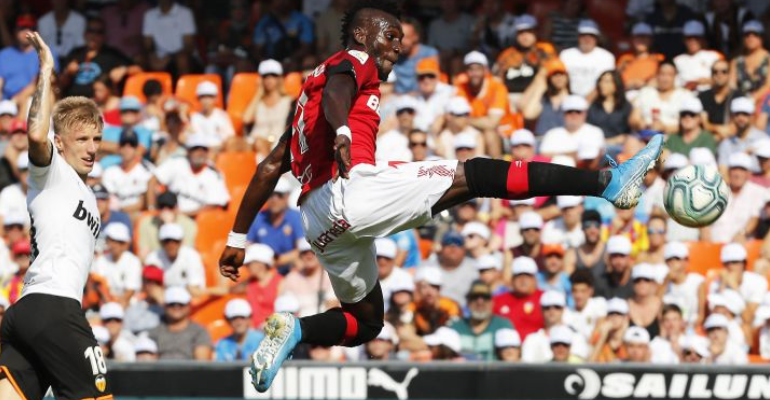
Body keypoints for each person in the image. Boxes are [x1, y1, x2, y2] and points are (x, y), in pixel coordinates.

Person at [218, 1, 664, 392]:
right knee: (479, 172)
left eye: (401, 38)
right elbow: (340, 91)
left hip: (318, 221)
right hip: (352, 189)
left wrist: (237, 240)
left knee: (366, 321)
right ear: (361, 35)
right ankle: (609, 183)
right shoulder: (354, 59)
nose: (398, 45)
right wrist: (341, 130)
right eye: (390, 35)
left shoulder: (304, 100)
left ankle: (295, 331)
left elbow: (270, 166)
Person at [0, 32, 111, 400]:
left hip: (29, 312)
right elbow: (35, 133)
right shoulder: (51, 172)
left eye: (96, 139)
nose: (92, 148)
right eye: (82, 139)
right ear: (60, 142)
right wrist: (46, 70)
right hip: (54, 307)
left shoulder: (86, 193)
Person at [149, 134, 230, 216]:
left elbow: (213, 205)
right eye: (196, 149)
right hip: (170, 215)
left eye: (204, 149)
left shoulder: (214, 174)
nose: (200, 152)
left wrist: (183, 215)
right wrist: (152, 209)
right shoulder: (176, 162)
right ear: (188, 151)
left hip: (198, 220)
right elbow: (152, 181)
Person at [59, 17, 136, 99]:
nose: (94, 35)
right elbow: (59, 84)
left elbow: (138, 68)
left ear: (105, 36)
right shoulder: (75, 53)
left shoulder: (111, 54)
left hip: (99, 104)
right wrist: (67, 72)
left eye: (99, 32)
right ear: (85, 34)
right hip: (72, 101)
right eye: (91, 31)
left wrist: (124, 69)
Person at [245, 178, 303, 272]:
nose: (274, 199)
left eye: (279, 195)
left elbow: (301, 249)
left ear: (287, 196)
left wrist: (277, 260)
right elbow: (247, 246)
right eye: (270, 195)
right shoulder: (258, 218)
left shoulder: (296, 217)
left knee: (300, 263)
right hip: (264, 269)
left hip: (291, 268)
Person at [709, 153, 768, 242]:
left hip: (741, 248)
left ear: (749, 173)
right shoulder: (716, 192)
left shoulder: (759, 192)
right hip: (713, 245)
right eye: (734, 169)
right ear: (728, 171)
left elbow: (755, 217)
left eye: (742, 170)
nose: (737, 174)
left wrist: (743, 233)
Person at [0, 16, 59, 104]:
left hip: (37, 100)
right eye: (22, 28)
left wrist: (16, 100)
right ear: (15, 31)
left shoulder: (46, 52)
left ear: (37, 31)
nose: (27, 32)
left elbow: (47, 80)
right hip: (7, 103)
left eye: (31, 28)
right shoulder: (4, 54)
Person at [449, 280, 514, 361]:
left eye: (485, 297)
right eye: (475, 297)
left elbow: (512, 358)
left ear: (492, 302)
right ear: (468, 303)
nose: (480, 302)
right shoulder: (455, 327)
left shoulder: (503, 326)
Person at [243, 60, 294, 157]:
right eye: (265, 76)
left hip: (277, 142)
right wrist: (259, 92)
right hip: (255, 142)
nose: (269, 79)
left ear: (280, 78)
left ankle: (269, 169)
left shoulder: (289, 101)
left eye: (273, 75)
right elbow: (246, 119)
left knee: (260, 143)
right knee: (232, 143)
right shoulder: (258, 101)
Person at [630, 61, 695, 135]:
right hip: (645, 136)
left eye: (669, 75)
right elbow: (634, 118)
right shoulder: (646, 92)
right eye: (662, 74)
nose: (665, 78)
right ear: (657, 75)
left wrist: (665, 127)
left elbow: (690, 124)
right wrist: (640, 124)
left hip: (673, 139)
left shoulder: (685, 95)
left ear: (675, 76)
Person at [148, 287, 212, 360]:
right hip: (161, 370)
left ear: (188, 306)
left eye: (181, 304)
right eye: (172, 304)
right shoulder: (155, 332)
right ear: (165, 306)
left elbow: (202, 363)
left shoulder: (199, 332)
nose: (176, 307)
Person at [144, 223, 206, 297]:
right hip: (165, 300)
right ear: (160, 242)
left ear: (181, 241)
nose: (171, 245)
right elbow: (151, 288)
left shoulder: (192, 256)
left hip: (189, 300)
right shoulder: (153, 257)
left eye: (175, 241)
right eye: (167, 241)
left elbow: (195, 289)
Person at [101, 129, 154, 214]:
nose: (127, 148)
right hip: (116, 216)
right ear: (119, 148)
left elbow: (143, 203)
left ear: (137, 148)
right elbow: (108, 201)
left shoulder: (146, 170)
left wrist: (122, 210)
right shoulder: (110, 172)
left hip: (139, 215)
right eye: (123, 144)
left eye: (131, 145)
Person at [252, 0, 314, 71]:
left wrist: (290, 59)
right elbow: (257, 49)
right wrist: (266, 61)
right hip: (271, 60)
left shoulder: (302, 20)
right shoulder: (264, 22)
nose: (282, 2)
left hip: (295, 60)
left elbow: (307, 47)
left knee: (308, 61)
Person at [559, 19, 615, 97]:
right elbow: (559, 80)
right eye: (583, 35)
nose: (587, 39)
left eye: (591, 36)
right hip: (568, 97)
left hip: (597, 100)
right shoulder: (565, 55)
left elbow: (606, 83)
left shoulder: (607, 57)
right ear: (578, 36)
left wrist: (587, 101)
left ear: (597, 38)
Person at [92, 223, 142, 307]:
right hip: (106, 305)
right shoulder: (101, 260)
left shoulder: (133, 261)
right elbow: (100, 287)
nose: (113, 245)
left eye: (118, 241)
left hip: (131, 306)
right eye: (110, 240)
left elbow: (129, 294)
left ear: (126, 244)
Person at [142, 0, 197, 75]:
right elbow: (147, 44)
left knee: (182, 60)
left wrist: (169, 57)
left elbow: (188, 45)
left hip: (180, 54)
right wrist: (152, 55)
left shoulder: (185, 13)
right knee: (143, 60)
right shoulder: (149, 15)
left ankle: (184, 86)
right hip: (159, 56)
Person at [540, 95, 605, 157]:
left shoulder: (595, 132)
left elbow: (596, 156)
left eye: (578, 111)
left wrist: (562, 155)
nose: (574, 115)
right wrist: (572, 155)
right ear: (563, 113)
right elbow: (543, 155)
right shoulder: (552, 134)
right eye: (569, 111)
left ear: (585, 113)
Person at [674, 20, 724, 91]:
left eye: (696, 38)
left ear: (702, 39)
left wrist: (704, 82)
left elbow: (725, 78)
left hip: (709, 95)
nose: (693, 41)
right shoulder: (677, 60)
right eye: (689, 38)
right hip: (684, 96)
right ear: (684, 40)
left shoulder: (714, 56)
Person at [587, 70, 632, 146]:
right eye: (601, 81)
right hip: (596, 146)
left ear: (616, 84)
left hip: (619, 147)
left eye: (607, 82)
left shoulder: (625, 107)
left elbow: (628, 133)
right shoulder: (594, 106)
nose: (602, 84)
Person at [731, 21, 770, 102]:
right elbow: (732, 86)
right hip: (741, 104)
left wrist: (753, 99)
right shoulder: (736, 61)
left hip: (765, 104)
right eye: (747, 35)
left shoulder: (768, 58)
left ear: (762, 37)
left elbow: (768, 85)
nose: (750, 38)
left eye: (755, 35)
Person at [190, 81, 235, 151]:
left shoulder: (222, 116)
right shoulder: (194, 117)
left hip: (220, 151)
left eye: (209, 97)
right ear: (198, 99)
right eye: (203, 97)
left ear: (216, 99)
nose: (206, 101)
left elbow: (230, 137)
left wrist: (218, 148)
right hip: (201, 151)